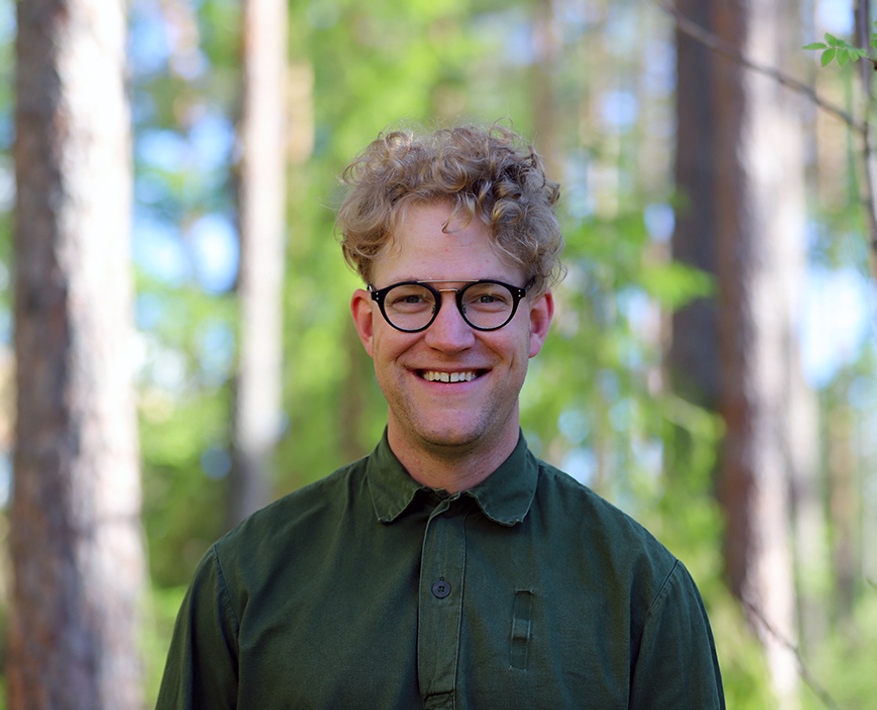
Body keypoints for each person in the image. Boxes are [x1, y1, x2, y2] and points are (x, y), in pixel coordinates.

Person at [157, 124, 725, 709]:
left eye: (484, 296)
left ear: (534, 322)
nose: (449, 337)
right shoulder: (244, 582)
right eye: (410, 299)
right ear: (367, 324)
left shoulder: (643, 593)